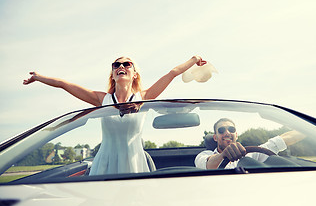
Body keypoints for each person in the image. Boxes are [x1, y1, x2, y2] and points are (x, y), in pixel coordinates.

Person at [24, 55, 207, 175]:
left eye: (127, 64)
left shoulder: (144, 97)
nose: (121, 66)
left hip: (134, 162)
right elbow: (65, 84)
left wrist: (195, 59)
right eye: (116, 65)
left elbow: (173, 73)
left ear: (134, 74)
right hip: (105, 162)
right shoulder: (101, 99)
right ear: (113, 74)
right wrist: (38, 77)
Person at [195, 116, 316, 169]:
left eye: (231, 129)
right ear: (215, 137)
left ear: (236, 134)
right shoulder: (203, 155)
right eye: (221, 130)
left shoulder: (253, 154)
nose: (227, 133)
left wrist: (313, 129)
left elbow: (283, 139)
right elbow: (209, 164)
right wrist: (223, 155)